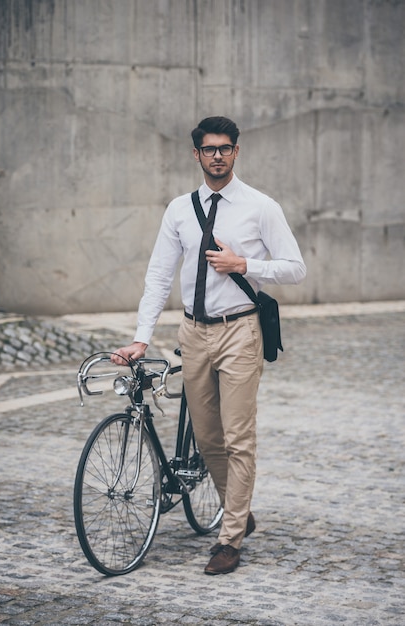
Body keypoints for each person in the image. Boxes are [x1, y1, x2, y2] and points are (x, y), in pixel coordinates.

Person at [111, 116, 306, 575]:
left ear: (236, 152)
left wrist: (245, 264)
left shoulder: (261, 207)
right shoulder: (179, 209)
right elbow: (159, 276)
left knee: (239, 437)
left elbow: (295, 267)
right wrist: (142, 337)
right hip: (193, 332)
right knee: (207, 436)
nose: (217, 155)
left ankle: (230, 537)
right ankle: (239, 508)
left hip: (240, 330)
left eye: (225, 148)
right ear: (196, 154)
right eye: (209, 149)